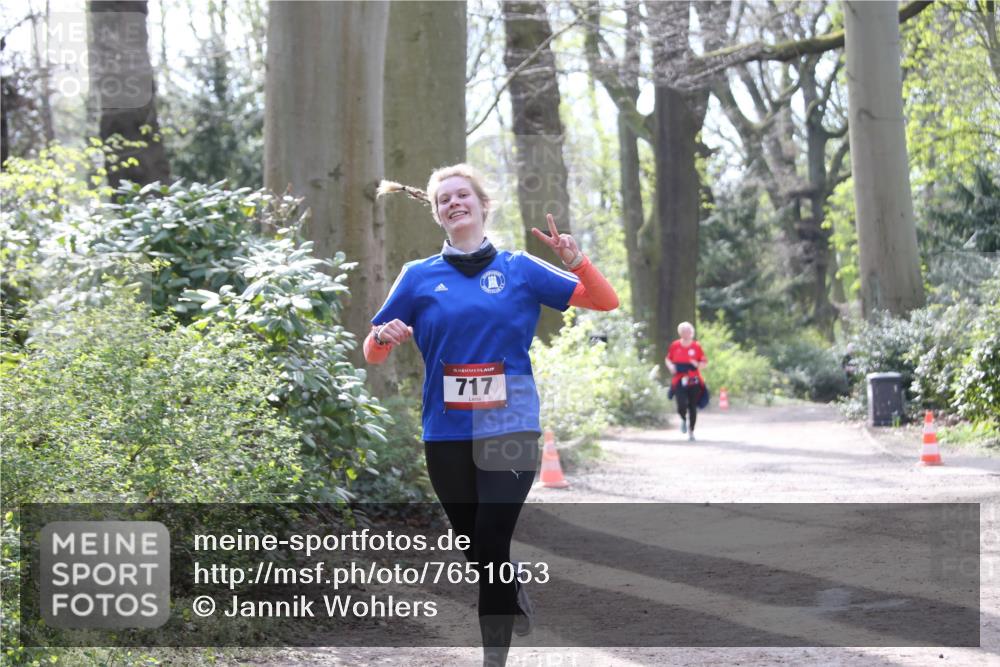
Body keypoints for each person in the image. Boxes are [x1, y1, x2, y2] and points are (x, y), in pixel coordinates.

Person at [365, 164, 618, 666]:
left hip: (512, 422)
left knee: (490, 538)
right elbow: (372, 350)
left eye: (463, 196)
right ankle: (511, 589)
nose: (454, 203)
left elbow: (604, 302)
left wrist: (577, 259)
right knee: (479, 552)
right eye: (445, 200)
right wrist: (382, 337)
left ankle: (493, 661)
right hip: (446, 429)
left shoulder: (520, 267)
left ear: (483, 205)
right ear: (437, 214)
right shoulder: (418, 278)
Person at [665, 321, 708, 441]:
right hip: (679, 378)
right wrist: (671, 366)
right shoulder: (675, 345)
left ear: (692, 332)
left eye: (688, 331)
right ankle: (683, 418)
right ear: (680, 332)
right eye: (684, 331)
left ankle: (691, 431)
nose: (686, 333)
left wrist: (697, 364)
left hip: (693, 378)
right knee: (681, 404)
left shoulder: (696, 346)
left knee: (692, 405)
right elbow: (668, 359)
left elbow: (704, 363)